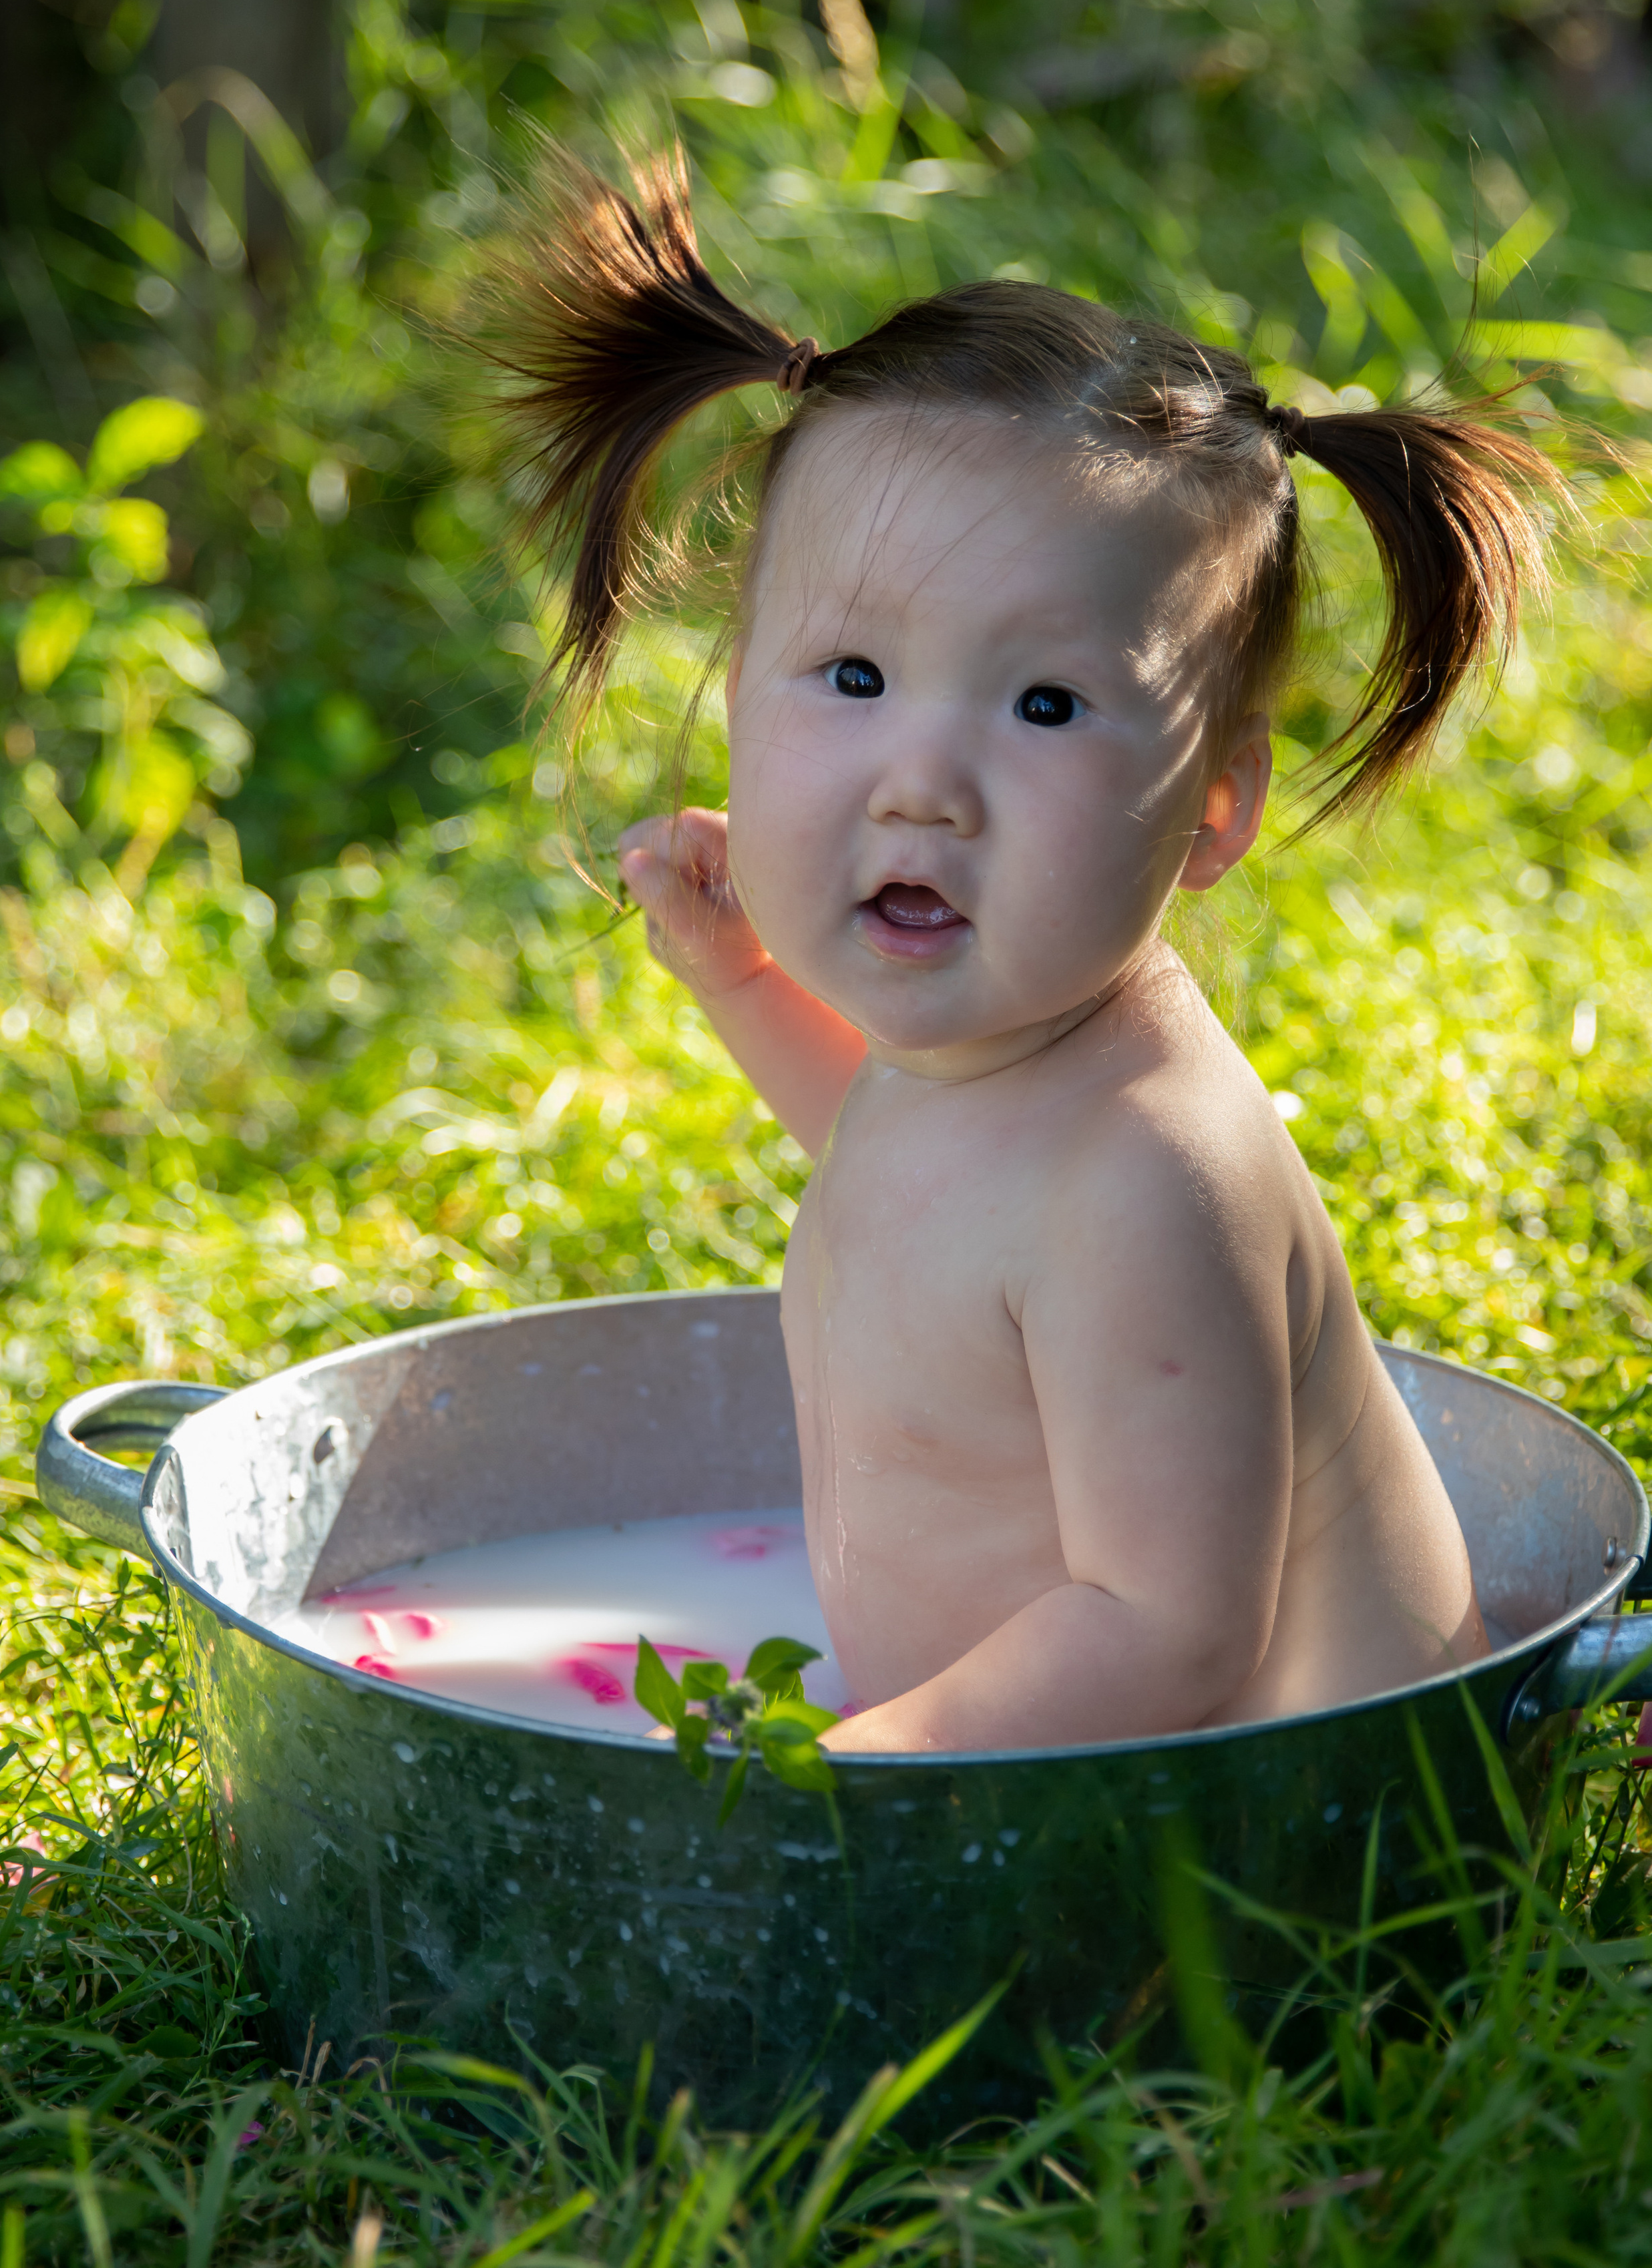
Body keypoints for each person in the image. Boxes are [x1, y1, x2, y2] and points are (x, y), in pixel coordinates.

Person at [473, 148, 1566, 1753]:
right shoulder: (1002, 1060)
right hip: (1019, 1789)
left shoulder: (1145, 1175)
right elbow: (915, 1179)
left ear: (1208, 807)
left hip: (1258, 1863)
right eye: (850, 675)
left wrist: (846, 1782)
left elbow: (1168, 1634)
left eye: (1043, 705)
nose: (921, 781)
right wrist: (740, 980)